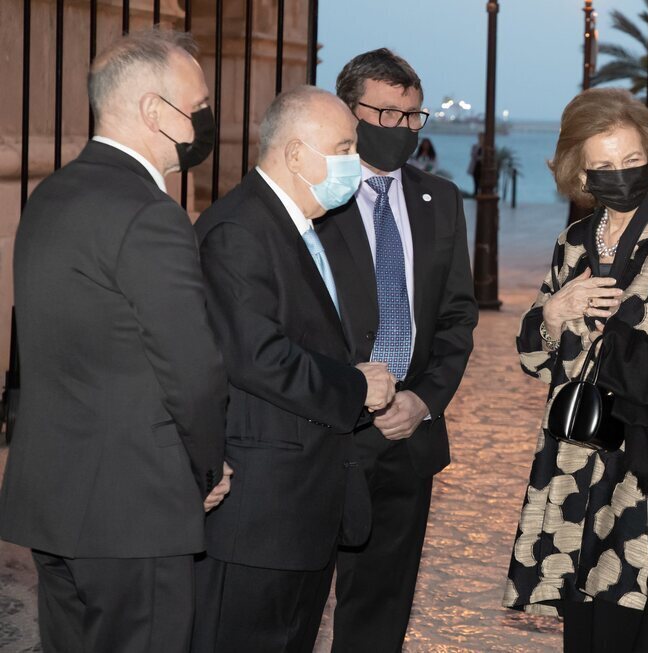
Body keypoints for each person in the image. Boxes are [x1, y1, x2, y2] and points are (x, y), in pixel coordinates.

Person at [0, 29, 230, 652]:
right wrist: (206, 468)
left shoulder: (49, 195)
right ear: (159, 113)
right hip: (135, 509)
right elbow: (193, 370)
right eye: (200, 102)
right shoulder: (148, 214)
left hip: (55, 498)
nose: (208, 117)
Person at [502, 87, 648, 652]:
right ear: (578, 173)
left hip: (646, 467)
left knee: (631, 626)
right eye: (603, 165)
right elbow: (534, 359)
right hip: (574, 462)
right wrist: (554, 314)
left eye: (632, 161)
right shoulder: (573, 244)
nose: (620, 174)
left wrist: (628, 356)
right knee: (584, 632)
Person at [190, 86, 397, 653]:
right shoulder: (239, 230)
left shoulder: (302, 225)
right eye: (345, 146)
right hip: (260, 518)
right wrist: (357, 386)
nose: (356, 161)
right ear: (298, 154)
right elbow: (258, 356)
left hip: (302, 512)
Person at [319, 48, 478, 652]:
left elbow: (458, 316)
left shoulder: (440, 200)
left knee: (382, 606)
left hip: (407, 437)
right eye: (385, 114)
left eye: (412, 116)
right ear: (349, 111)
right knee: (296, 596)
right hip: (326, 431)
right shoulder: (315, 199)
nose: (401, 129)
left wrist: (423, 400)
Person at [467, 132, 483, 196]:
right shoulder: (475, 146)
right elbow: (473, 155)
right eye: (480, 137)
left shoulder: (485, 147)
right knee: (475, 182)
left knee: (481, 182)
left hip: (482, 167)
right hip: (476, 167)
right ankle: (475, 195)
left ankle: (480, 195)